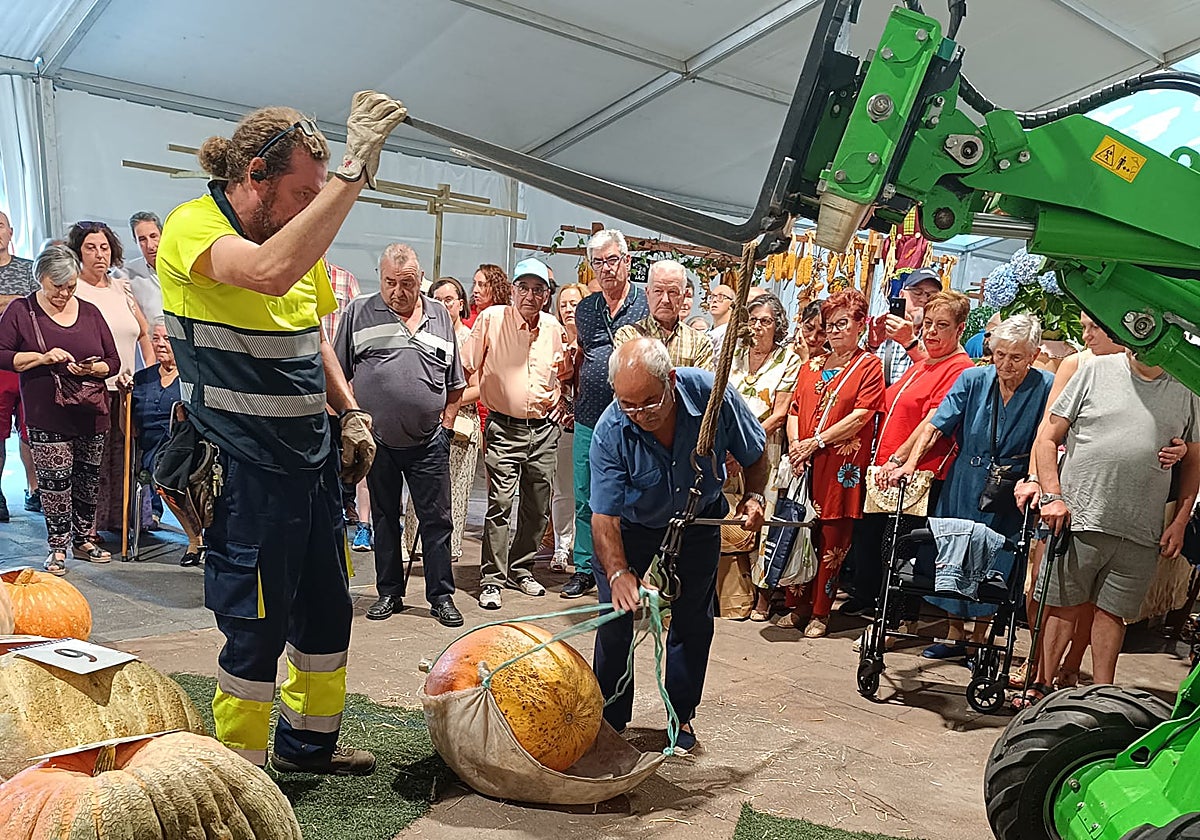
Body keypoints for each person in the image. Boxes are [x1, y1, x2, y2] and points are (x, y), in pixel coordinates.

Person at [157, 91, 407, 774]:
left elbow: (313, 337)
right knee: (255, 629)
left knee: (327, 614)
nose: (310, 208)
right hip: (243, 472)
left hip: (311, 467)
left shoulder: (300, 242)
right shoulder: (192, 228)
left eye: (318, 195)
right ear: (255, 176)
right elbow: (269, 274)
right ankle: (242, 772)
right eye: (302, 193)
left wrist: (349, 411)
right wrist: (355, 173)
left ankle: (308, 748)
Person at [590, 338, 767, 751]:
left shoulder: (712, 397)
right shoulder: (611, 430)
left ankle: (681, 715)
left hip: (697, 518)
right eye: (628, 405)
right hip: (632, 525)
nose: (641, 415)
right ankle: (610, 718)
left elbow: (755, 453)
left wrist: (755, 496)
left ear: (670, 380)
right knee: (615, 619)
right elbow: (604, 517)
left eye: (650, 402)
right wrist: (618, 574)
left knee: (692, 620)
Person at [1024, 349, 1200, 704]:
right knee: (1061, 606)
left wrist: (1180, 521)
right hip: (1079, 518)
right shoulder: (1093, 370)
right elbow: (1047, 437)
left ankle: (1103, 697)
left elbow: (1196, 460)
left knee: (1113, 614)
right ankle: (1041, 686)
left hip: (1140, 527)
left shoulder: (1186, 387)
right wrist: (1052, 496)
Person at [891, 314, 1051, 657]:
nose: (1005, 364)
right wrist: (910, 462)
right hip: (965, 479)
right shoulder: (973, 378)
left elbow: (1048, 438)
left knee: (997, 558)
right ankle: (953, 633)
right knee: (952, 551)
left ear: (1034, 355)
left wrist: (1036, 479)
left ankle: (980, 638)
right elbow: (937, 425)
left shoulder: (1046, 386)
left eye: (1016, 357)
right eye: (1000, 354)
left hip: (1011, 486)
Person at [336, 244, 465, 628]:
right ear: (380, 278)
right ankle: (389, 592)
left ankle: (441, 596)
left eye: (406, 283)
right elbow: (337, 374)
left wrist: (446, 426)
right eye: (390, 282)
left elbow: (455, 382)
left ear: (419, 280)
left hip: (429, 441)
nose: (397, 291)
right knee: (384, 517)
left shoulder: (440, 315)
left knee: (437, 521)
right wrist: (351, 422)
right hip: (378, 441)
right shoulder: (358, 312)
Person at [845, 290, 975, 618]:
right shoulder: (925, 364)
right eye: (928, 323)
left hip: (918, 473)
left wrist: (900, 459)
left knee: (899, 548)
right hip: (886, 468)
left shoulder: (960, 368)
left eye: (941, 325)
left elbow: (932, 422)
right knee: (872, 540)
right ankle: (874, 604)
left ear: (960, 329)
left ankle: (897, 619)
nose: (931, 331)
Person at [0, 245, 119, 573]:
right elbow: (2, 354)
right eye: (57, 286)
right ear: (41, 278)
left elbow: (113, 361)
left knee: (87, 480)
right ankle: (57, 547)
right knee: (54, 483)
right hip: (46, 413)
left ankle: (83, 540)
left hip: (90, 410)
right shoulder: (22, 311)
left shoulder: (90, 312)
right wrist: (41, 358)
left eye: (70, 286)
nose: (64, 294)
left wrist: (91, 368)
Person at [462, 258, 573, 610]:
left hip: (544, 430)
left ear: (546, 295)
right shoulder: (492, 319)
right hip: (503, 427)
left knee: (538, 507)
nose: (530, 295)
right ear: (512, 290)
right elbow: (466, 364)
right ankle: (491, 579)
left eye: (538, 289)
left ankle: (521, 569)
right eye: (523, 287)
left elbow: (565, 373)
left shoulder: (553, 328)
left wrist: (562, 401)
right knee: (500, 504)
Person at [783, 289, 885, 636]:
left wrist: (816, 442)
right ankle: (797, 605)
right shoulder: (811, 365)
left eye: (842, 323)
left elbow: (861, 415)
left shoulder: (869, 365)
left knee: (832, 540)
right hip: (804, 463)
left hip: (840, 466)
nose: (835, 331)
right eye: (830, 325)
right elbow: (795, 409)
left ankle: (820, 612)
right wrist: (796, 446)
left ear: (860, 324)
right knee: (799, 532)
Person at [568, 229, 648, 599]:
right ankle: (585, 567)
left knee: (631, 494)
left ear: (627, 261)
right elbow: (582, 354)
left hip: (633, 417)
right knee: (586, 494)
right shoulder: (585, 309)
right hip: (588, 414)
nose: (606, 268)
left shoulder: (644, 303)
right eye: (598, 262)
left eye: (612, 260)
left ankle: (631, 566)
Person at [67, 220, 154, 538]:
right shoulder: (74, 290)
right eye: (90, 248)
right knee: (92, 462)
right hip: (90, 389)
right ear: (78, 252)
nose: (99, 254)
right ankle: (86, 527)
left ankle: (121, 519)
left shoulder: (121, 286)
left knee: (124, 458)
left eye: (104, 247)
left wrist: (150, 373)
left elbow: (143, 332)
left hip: (126, 387)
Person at [408, 276, 477, 562]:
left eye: (449, 300)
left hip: (460, 423)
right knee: (420, 488)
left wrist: (447, 403)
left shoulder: (470, 338)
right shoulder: (423, 334)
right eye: (437, 300)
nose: (443, 305)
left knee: (454, 491)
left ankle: (449, 549)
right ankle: (412, 545)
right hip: (425, 422)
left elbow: (479, 386)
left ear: (460, 304)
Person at [132, 319, 203, 566]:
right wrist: (123, 396)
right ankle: (195, 538)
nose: (160, 344)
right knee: (162, 471)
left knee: (171, 470)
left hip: (186, 446)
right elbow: (130, 430)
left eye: (168, 339)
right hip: (153, 450)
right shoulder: (142, 379)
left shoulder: (191, 376)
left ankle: (198, 538)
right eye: (156, 338)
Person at [0, 210, 40, 519]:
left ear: (11, 232)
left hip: (28, 360)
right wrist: (15, 300)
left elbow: (35, 306)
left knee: (30, 430)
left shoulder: (28, 268)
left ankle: (34, 489)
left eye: (0, 225)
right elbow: (21, 304)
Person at [547, 282, 588, 572]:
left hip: (588, 423)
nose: (568, 309)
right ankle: (561, 547)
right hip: (561, 425)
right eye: (563, 304)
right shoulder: (553, 341)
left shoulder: (594, 342)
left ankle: (586, 548)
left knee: (588, 490)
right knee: (562, 489)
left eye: (574, 303)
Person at [614, 259, 714, 370]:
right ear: (647, 293)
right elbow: (625, 377)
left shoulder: (699, 342)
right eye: (658, 291)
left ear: (683, 296)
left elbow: (703, 380)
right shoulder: (628, 336)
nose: (665, 300)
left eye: (672, 292)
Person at [866, 266, 943, 387]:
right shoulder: (882, 328)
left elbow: (941, 373)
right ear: (901, 295)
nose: (924, 299)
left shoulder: (941, 337)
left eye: (931, 296)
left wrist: (909, 341)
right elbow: (853, 370)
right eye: (917, 292)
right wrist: (871, 346)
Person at [122, 211, 165, 326]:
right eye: (142, 239)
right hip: (150, 336)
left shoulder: (181, 268)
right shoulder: (125, 275)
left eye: (153, 236)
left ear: (163, 235)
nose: (150, 246)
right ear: (135, 242)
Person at [707, 282, 736, 361]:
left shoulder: (732, 332)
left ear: (732, 303)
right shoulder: (705, 332)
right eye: (712, 297)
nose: (714, 300)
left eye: (721, 297)